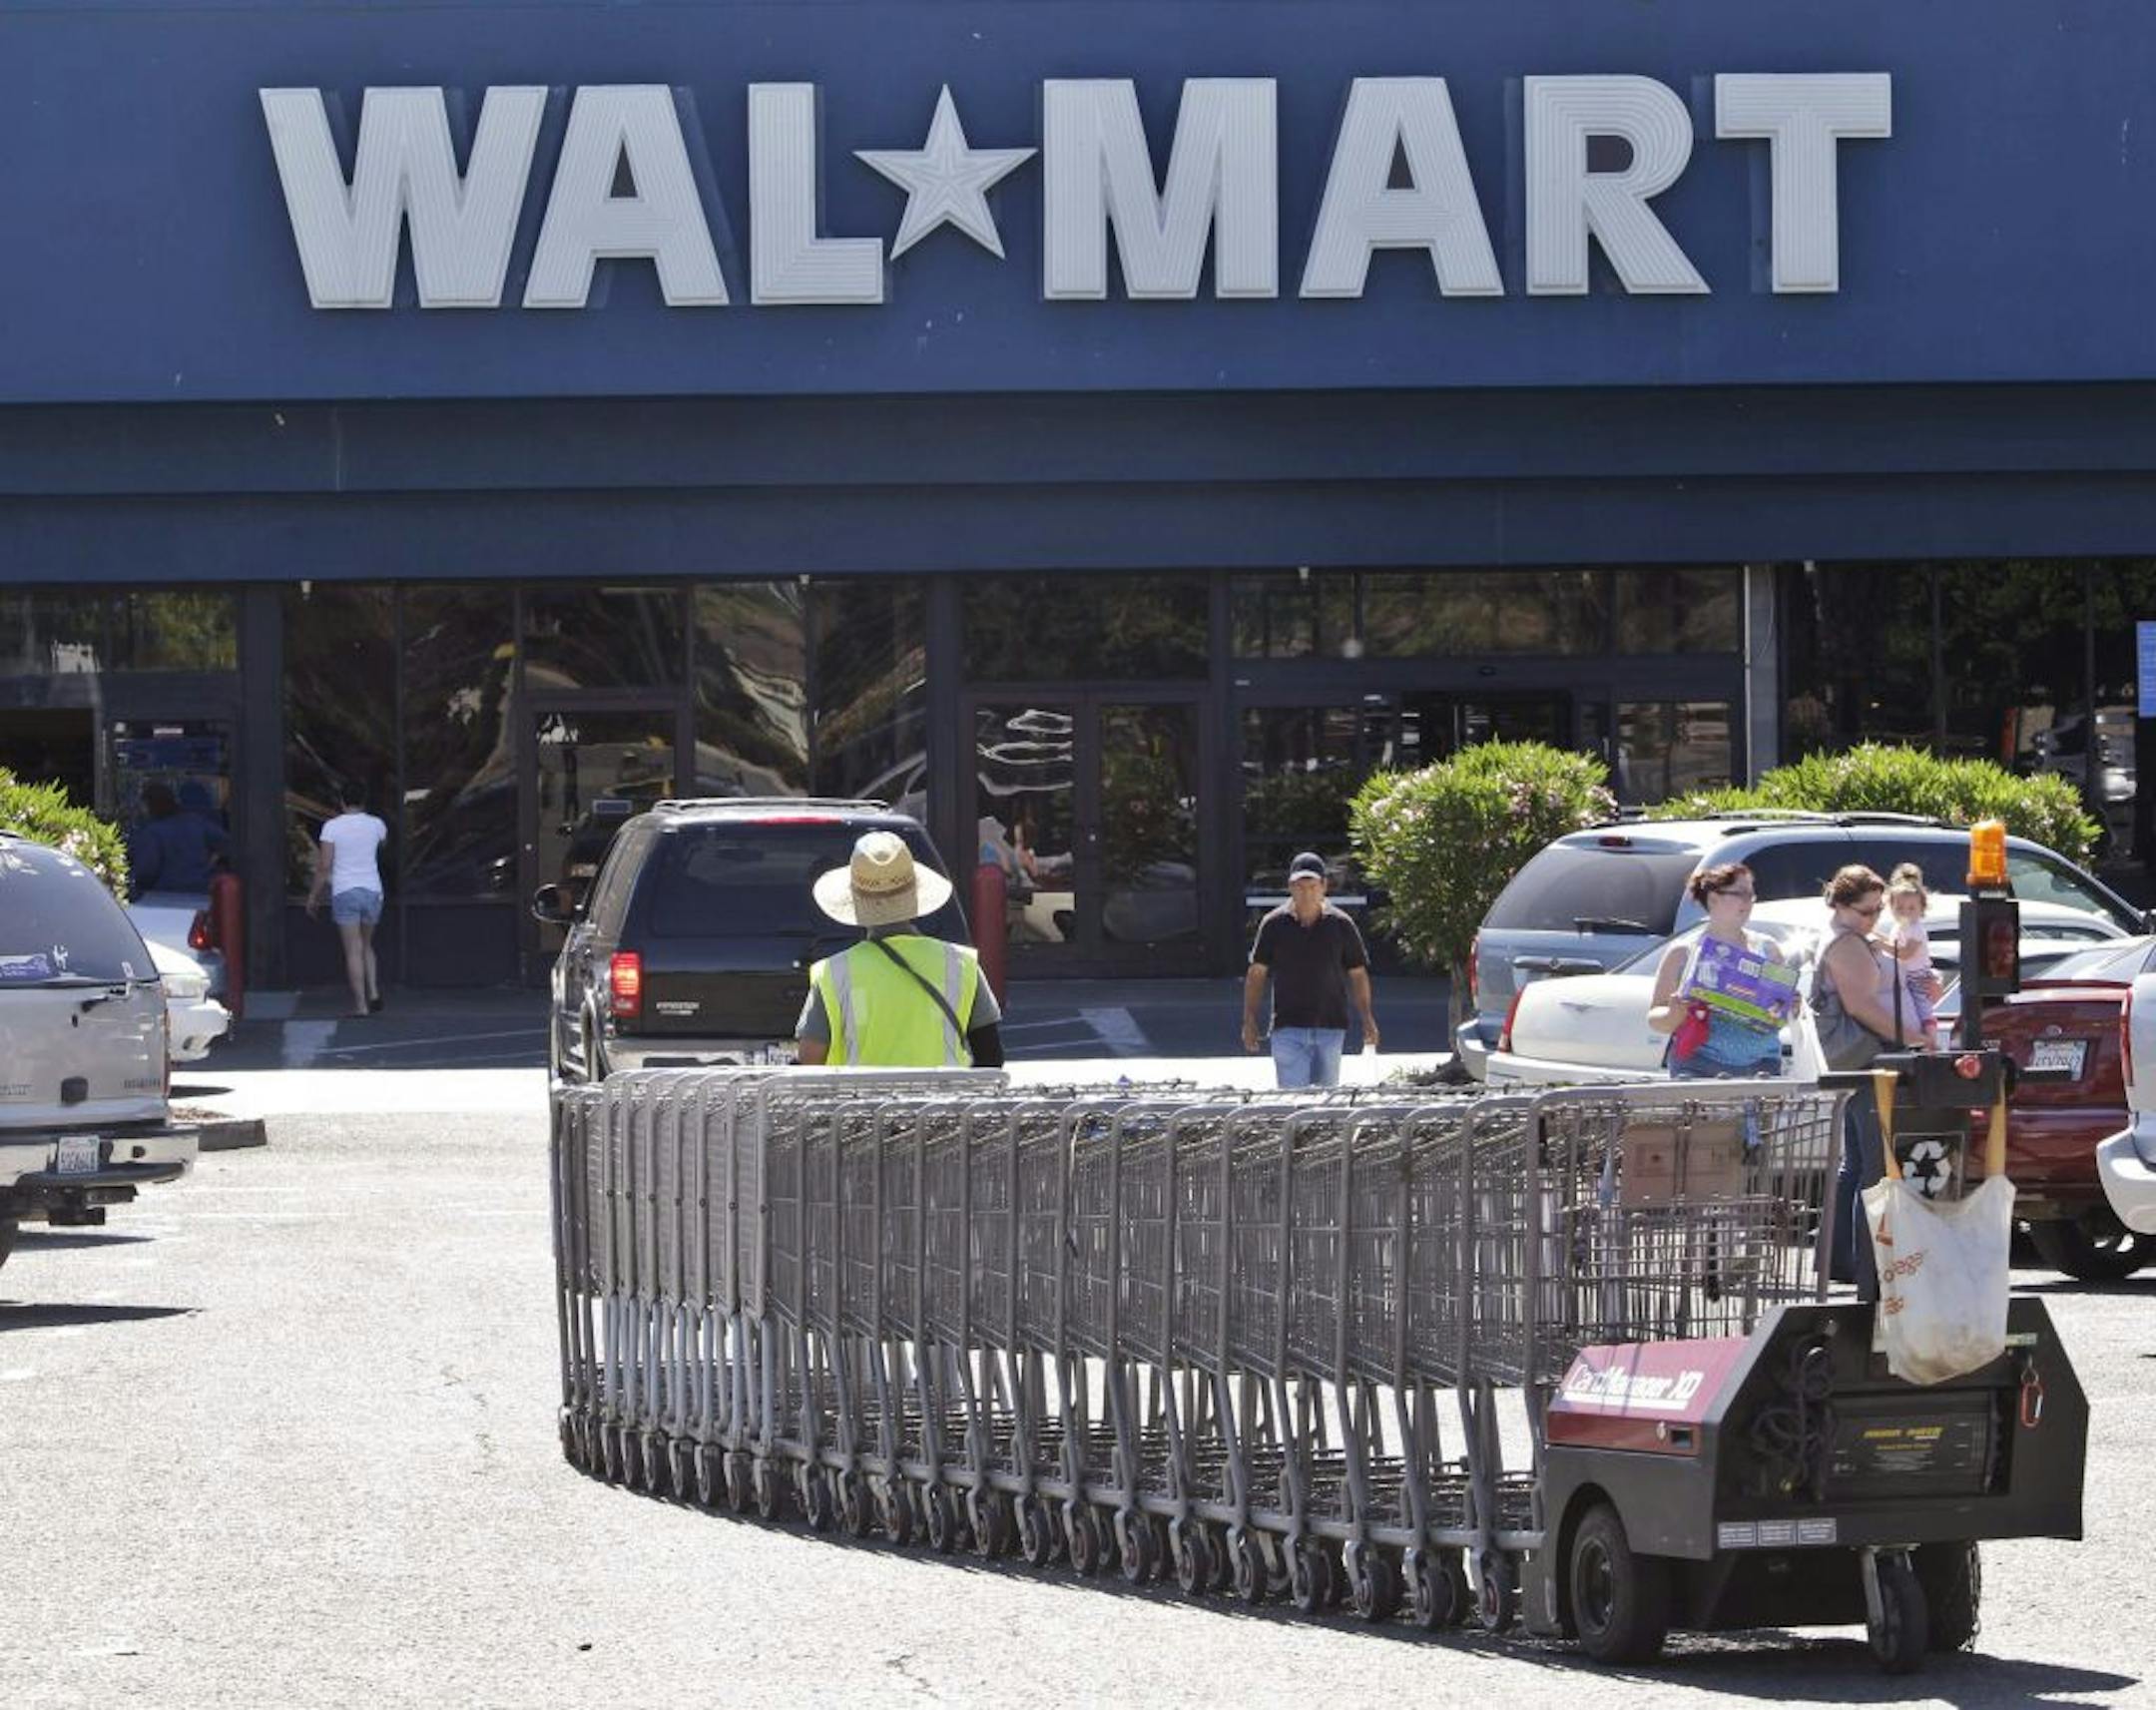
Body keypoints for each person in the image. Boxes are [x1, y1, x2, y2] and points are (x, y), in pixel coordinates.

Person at [1816, 863, 1929, 1301]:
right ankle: (1865, 1263)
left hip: (1850, 1062)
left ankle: (1842, 1258)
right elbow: (1862, 1005)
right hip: (1863, 1059)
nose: (1875, 917)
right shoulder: (1846, 944)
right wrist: (1911, 1038)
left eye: (1878, 909)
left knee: (1856, 1163)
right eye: (1867, 911)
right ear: (1841, 906)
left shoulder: (1850, 937)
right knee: (1873, 1169)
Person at [796, 831, 1004, 1068]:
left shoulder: (833, 973)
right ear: (914, 893)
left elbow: (809, 1060)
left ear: (855, 900)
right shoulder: (961, 965)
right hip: (943, 1103)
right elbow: (991, 1058)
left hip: (860, 1104)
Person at [1242, 851, 1379, 1088]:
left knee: (1325, 1104)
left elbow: (1358, 974)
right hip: (1288, 1027)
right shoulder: (1273, 924)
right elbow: (1257, 974)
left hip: (1330, 1026)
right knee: (1294, 1103)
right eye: (1300, 886)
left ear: (1324, 886)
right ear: (1290, 887)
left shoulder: (1341, 924)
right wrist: (1249, 1019)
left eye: (1312, 886)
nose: (1306, 893)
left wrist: (1367, 1017)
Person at [1646, 862, 1786, 1079]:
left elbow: (1780, 1010)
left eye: (1751, 895)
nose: (1747, 902)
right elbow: (1655, 1017)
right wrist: (1675, 1013)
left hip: (1762, 1065)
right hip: (1699, 1064)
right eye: (1740, 894)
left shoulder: (1768, 948)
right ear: (1713, 899)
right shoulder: (1683, 952)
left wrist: (1790, 1004)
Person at [305, 783, 389, 1019]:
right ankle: (373, 992)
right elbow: (382, 845)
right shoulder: (376, 824)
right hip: (373, 890)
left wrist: (313, 896)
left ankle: (361, 1005)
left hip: (345, 890)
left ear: (341, 801)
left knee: (353, 950)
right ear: (364, 801)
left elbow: (324, 866)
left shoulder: (332, 828)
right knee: (367, 945)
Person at [127, 780, 228, 895]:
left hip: (164, 896)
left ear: (149, 805)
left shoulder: (152, 833)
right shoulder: (196, 822)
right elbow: (227, 845)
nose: (142, 810)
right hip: (201, 892)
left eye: (143, 806)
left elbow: (145, 871)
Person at [1885, 862, 1941, 1049]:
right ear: (1890, 906)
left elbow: (1905, 954)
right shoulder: (1897, 927)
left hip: (1917, 976)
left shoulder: (1916, 929)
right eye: (1899, 908)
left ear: (1921, 908)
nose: (1905, 913)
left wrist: (1878, 944)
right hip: (1904, 977)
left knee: (1923, 1011)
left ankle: (1932, 1041)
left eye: (1911, 908)